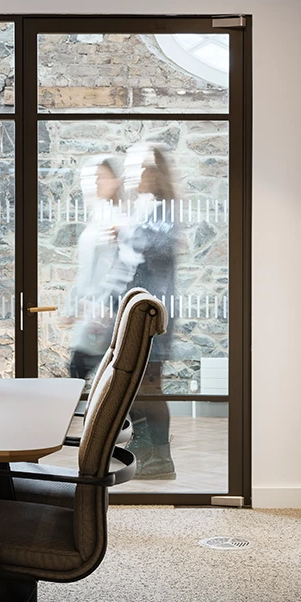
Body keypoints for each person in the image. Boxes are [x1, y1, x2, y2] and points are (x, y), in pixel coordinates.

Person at [115, 143, 180, 480]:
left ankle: (161, 458)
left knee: (150, 386)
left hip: (156, 315)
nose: (136, 175)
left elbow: (161, 247)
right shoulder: (146, 208)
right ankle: (145, 447)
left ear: (155, 174)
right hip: (142, 311)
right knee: (138, 384)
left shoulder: (165, 210)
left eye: (143, 169)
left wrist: (125, 232)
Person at [66, 156, 126, 381]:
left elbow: (119, 268)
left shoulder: (119, 221)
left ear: (115, 181)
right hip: (93, 310)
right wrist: (74, 307)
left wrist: (106, 304)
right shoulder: (98, 216)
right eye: (92, 177)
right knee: (84, 371)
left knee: (84, 370)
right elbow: (86, 270)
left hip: (106, 311)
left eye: (101, 177)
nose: (96, 182)